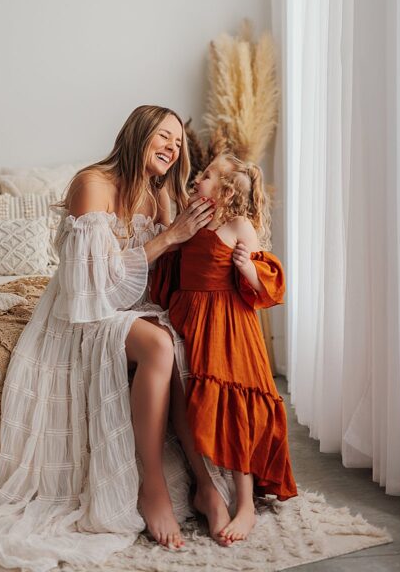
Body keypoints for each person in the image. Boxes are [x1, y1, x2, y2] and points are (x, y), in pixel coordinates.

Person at [0, 105, 219, 570]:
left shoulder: (156, 192)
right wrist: (169, 238)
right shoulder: (93, 185)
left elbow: (161, 276)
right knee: (159, 345)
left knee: (182, 339)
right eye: (164, 136)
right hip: (80, 315)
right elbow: (93, 289)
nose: (173, 146)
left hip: (125, 310)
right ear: (139, 133)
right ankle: (150, 485)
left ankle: (206, 482)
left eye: (179, 142)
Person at [150, 152, 295, 547]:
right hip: (189, 317)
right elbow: (170, 258)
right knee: (195, 403)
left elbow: (265, 280)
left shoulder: (238, 224)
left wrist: (247, 267)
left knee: (235, 408)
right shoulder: (193, 219)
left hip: (228, 325)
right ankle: (206, 491)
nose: (199, 178)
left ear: (228, 191)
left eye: (209, 176)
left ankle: (245, 503)